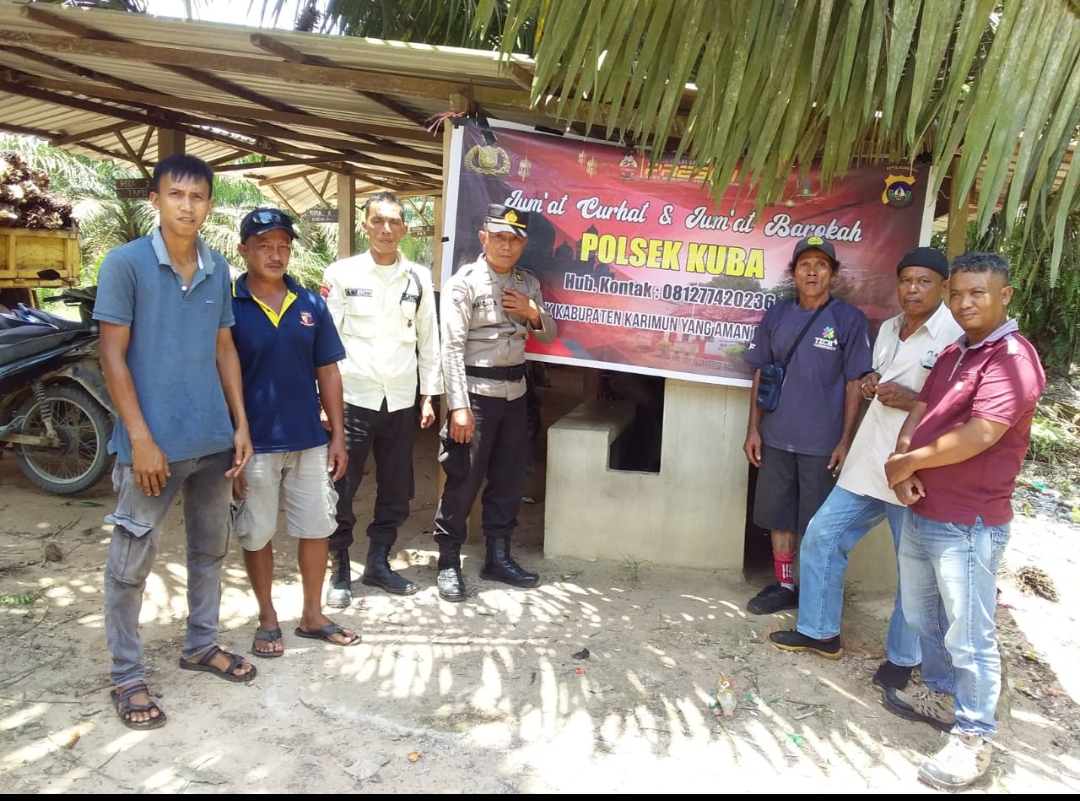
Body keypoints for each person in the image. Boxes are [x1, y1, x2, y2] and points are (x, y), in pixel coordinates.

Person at [94, 154, 255, 731]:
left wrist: (240, 424)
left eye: (197, 197)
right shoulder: (126, 263)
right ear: (156, 200)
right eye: (176, 195)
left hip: (211, 439)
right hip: (151, 449)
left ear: (209, 204)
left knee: (210, 551)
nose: (187, 206)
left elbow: (224, 349)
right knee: (131, 563)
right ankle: (127, 674)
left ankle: (201, 644)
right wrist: (140, 439)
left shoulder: (216, 267)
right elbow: (111, 354)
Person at [882, 252, 1045, 790]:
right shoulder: (956, 351)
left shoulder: (1013, 358)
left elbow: (982, 433)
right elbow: (920, 411)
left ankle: (974, 738)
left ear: (1005, 296)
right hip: (923, 507)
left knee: (970, 634)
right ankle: (943, 694)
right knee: (922, 616)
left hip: (969, 521)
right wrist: (903, 464)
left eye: (977, 292)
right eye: (957, 293)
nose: (964, 302)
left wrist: (908, 462)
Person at [768, 247, 961, 691]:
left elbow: (964, 408)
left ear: (944, 287)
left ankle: (903, 658)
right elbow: (876, 375)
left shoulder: (955, 335)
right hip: (870, 459)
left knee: (913, 568)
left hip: (915, 469)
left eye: (924, 281)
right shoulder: (891, 327)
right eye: (906, 280)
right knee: (822, 535)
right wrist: (873, 383)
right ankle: (819, 632)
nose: (913, 289)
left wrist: (912, 400)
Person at [229, 208, 358, 655]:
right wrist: (231, 438)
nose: (275, 254)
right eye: (264, 246)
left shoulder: (310, 304)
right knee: (257, 531)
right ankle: (267, 617)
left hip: (308, 439)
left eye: (283, 246)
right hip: (255, 444)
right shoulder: (228, 305)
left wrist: (337, 434)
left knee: (316, 527)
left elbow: (329, 371)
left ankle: (312, 615)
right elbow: (218, 374)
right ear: (243, 250)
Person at [321, 191, 441, 605]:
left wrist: (429, 395)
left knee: (397, 486)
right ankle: (339, 567)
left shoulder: (418, 278)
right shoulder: (342, 274)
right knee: (340, 485)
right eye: (378, 221)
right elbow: (325, 342)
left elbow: (429, 340)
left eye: (394, 222)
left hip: (401, 400)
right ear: (365, 225)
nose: (386, 229)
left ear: (405, 229)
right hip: (353, 398)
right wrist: (322, 401)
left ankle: (378, 562)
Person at [433, 204, 557, 602]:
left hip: (515, 394)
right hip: (476, 396)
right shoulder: (464, 284)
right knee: (463, 480)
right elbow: (451, 349)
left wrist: (533, 312)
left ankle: (497, 558)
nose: (507, 246)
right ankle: (448, 561)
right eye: (499, 237)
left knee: (508, 479)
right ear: (484, 238)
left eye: (514, 240)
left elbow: (549, 334)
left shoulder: (527, 283)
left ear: (524, 243)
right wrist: (458, 406)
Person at [743, 236, 871, 614]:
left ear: (833, 274)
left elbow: (855, 383)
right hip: (777, 436)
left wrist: (845, 440)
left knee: (817, 521)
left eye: (821, 265)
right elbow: (760, 373)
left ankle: (815, 592)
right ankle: (784, 585)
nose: (812, 272)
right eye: (804, 265)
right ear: (794, 273)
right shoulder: (777, 315)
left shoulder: (849, 320)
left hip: (822, 443)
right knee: (778, 515)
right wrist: (753, 429)